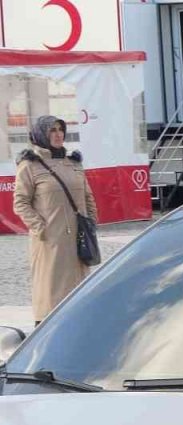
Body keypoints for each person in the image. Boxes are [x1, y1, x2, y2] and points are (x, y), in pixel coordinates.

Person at [12, 115, 98, 326]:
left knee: (78, 291)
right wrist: (40, 227)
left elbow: (88, 197)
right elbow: (20, 202)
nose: (58, 134)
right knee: (51, 292)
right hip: (50, 242)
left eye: (60, 130)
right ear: (42, 134)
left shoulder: (73, 163)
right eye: (52, 130)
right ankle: (45, 328)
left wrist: (91, 222)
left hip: (78, 239)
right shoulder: (30, 165)